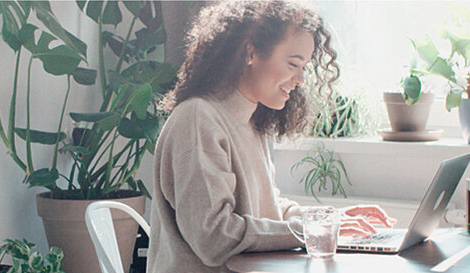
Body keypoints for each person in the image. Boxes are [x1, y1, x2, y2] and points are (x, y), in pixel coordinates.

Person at [147, 1, 396, 272]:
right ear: (250, 53)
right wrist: (306, 232)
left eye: (304, 67)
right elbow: (214, 237)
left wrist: (326, 220)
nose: (300, 79)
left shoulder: (254, 120)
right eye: (293, 64)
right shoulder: (197, 119)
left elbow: (268, 209)